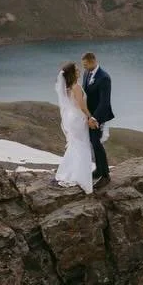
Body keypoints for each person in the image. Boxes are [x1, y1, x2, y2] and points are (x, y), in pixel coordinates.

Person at [54, 62, 95, 194]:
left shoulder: (67, 87)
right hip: (78, 119)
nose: (79, 70)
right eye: (77, 69)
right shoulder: (76, 87)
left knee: (75, 145)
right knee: (82, 146)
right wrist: (90, 117)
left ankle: (69, 173)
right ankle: (80, 177)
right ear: (72, 73)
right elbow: (81, 106)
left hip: (72, 118)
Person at [81, 51, 114, 190]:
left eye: (86, 64)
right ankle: (99, 170)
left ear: (93, 61)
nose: (84, 67)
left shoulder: (104, 77)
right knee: (93, 143)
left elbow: (104, 102)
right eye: (83, 65)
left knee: (97, 143)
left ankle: (105, 175)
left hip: (99, 117)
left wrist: (94, 118)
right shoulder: (86, 74)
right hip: (90, 116)